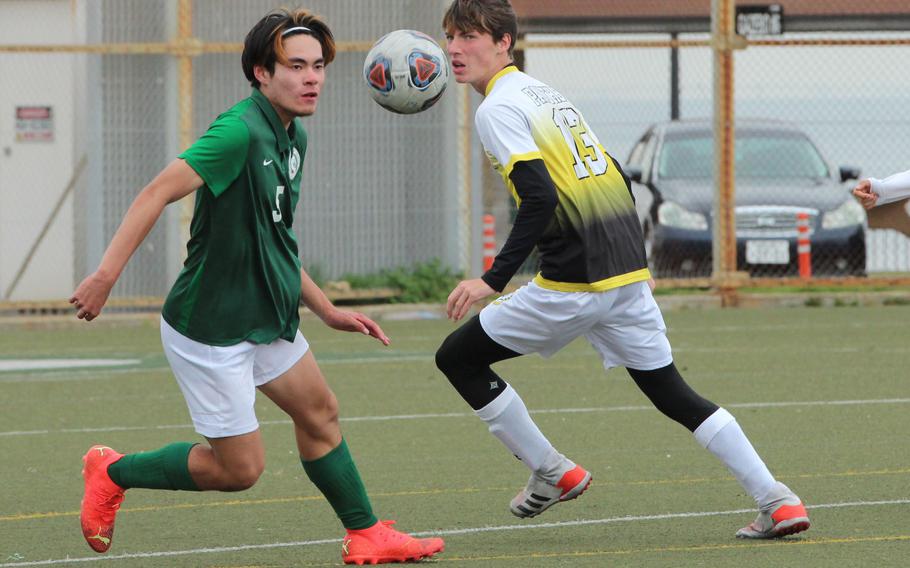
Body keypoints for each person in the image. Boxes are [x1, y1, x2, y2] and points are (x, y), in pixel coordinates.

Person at [69, 9, 444, 564]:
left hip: (266, 314)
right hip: (211, 328)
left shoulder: (294, 138)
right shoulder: (238, 132)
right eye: (295, 66)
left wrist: (327, 310)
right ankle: (112, 471)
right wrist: (105, 276)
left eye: (318, 66)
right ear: (260, 73)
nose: (311, 77)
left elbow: (276, 243)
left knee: (320, 412)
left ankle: (365, 532)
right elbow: (154, 192)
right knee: (239, 471)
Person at [434, 0, 809, 539]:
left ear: (503, 43)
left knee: (457, 359)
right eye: (450, 36)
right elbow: (615, 174)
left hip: (573, 283)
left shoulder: (496, 108)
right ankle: (779, 500)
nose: (454, 48)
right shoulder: (544, 93)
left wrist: (491, 281)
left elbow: (537, 200)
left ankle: (554, 472)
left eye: (468, 35)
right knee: (673, 393)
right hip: (622, 276)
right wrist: (639, 260)